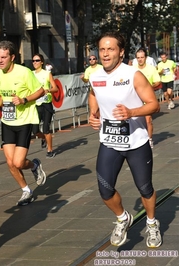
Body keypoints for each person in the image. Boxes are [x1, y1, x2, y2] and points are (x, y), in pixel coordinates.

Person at [88, 31, 161, 248]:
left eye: (111, 49)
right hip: (110, 142)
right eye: (102, 49)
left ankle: (151, 223)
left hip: (136, 143)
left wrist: (131, 112)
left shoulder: (133, 75)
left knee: (145, 187)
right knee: (104, 188)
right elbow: (93, 94)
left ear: (121, 52)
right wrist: (94, 115)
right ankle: (123, 218)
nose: (105, 53)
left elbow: (154, 104)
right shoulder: (95, 76)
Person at [0, 40, 47, 206]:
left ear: (12, 57)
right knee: (10, 162)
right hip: (7, 122)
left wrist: (24, 99)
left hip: (24, 121)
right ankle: (26, 190)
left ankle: (34, 165)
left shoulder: (24, 72)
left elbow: (41, 91)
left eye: (4, 57)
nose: (0, 61)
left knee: (19, 162)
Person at [31, 53, 58, 158]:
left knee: (46, 128)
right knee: (35, 130)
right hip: (35, 105)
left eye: (37, 60)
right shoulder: (30, 74)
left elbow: (55, 88)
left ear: (41, 62)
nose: (35, 63)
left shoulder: (47, 74)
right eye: (33, 61)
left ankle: (50, 150)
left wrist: (48, 90)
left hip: (46, 104)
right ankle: (43, 138)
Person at [134, 48, 161, 149]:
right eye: (138, 58)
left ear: (146, 57)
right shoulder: (133, 69)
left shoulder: (151, 68)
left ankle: (149, 139)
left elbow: (158, 81)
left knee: (148, 120)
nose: (140, 59)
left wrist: (149, 87)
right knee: (136, 121)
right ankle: (138, 139)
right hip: (135, 99)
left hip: (147, 99)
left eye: (142, 57)